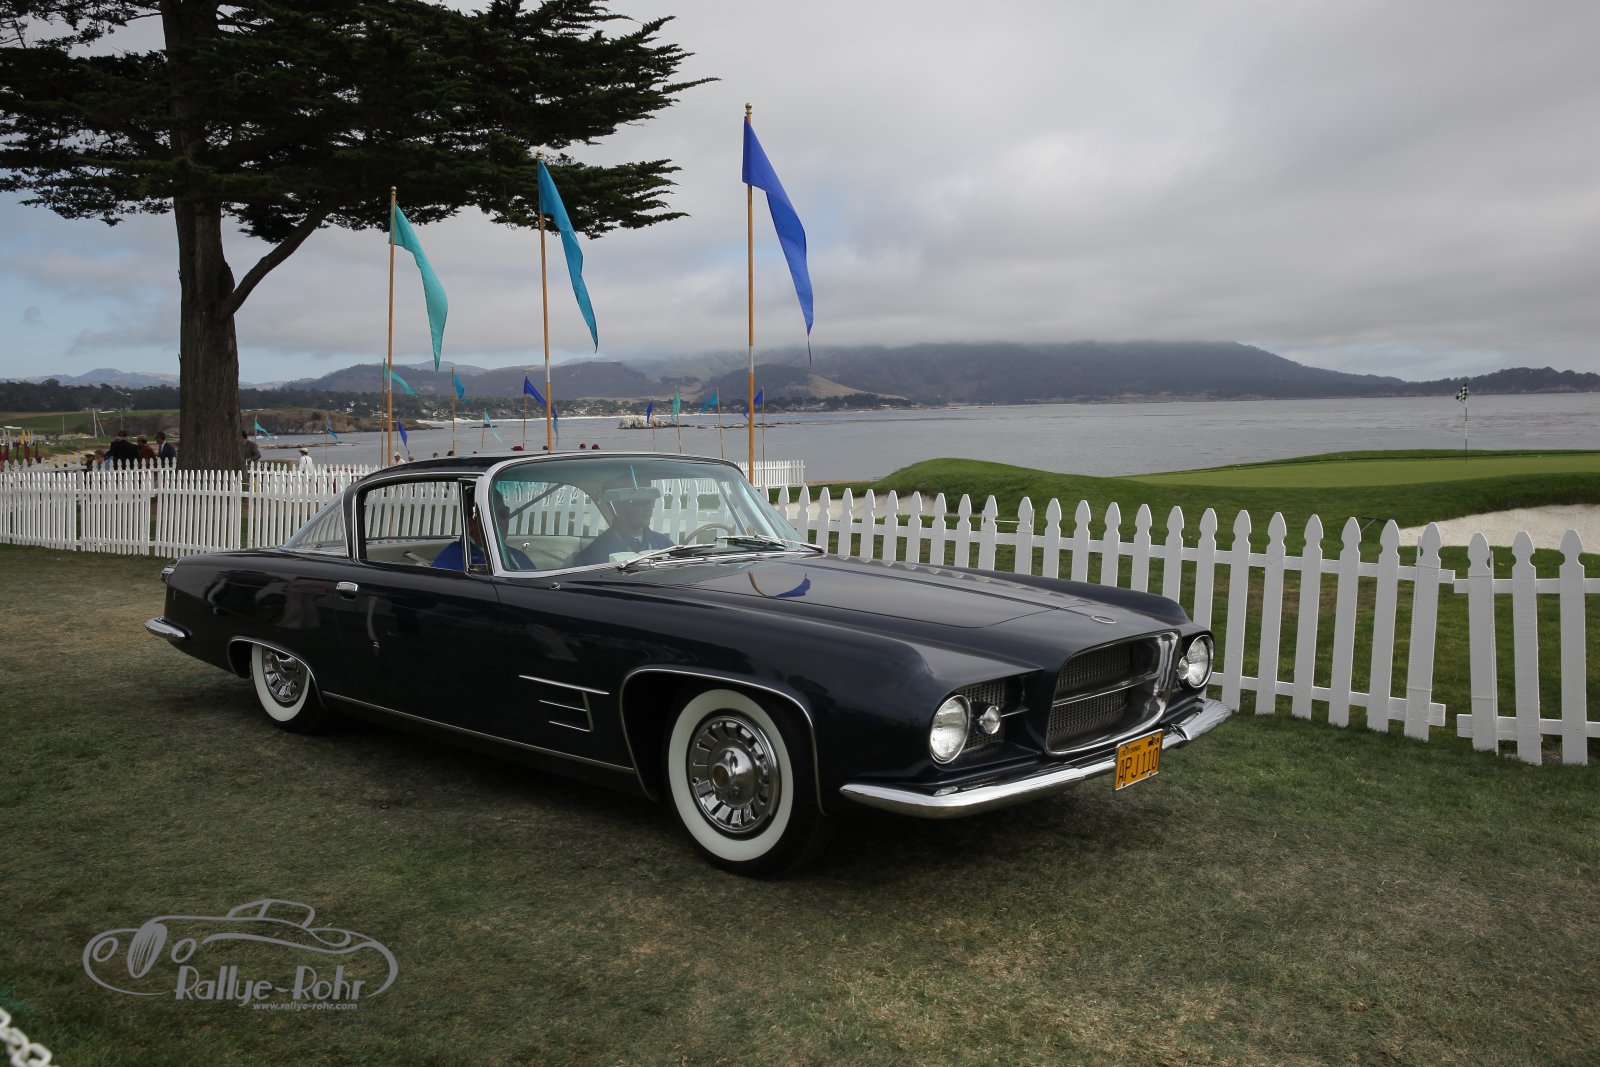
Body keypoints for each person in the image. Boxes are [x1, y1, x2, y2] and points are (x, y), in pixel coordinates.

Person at [572, 479, 674, 565]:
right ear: (618, 505)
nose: (648, 508)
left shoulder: (665, 545)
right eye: (640, 502)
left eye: (651, 501)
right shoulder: (594, 555)